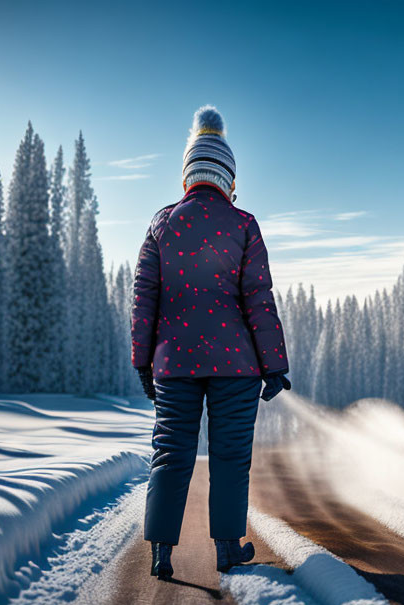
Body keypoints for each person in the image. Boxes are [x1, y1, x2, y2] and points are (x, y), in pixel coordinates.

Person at [131, 105, 290, 580]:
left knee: (171, 453)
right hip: (237, 366)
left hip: (174, 364)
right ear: (228, 178)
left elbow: (144, 299)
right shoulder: (244, 225)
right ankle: (226, 548)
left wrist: (143, 362)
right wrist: (274, 364)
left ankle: (162, 552)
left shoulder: (161, 224)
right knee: (229, 457)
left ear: (188, 177)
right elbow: (259, 298)